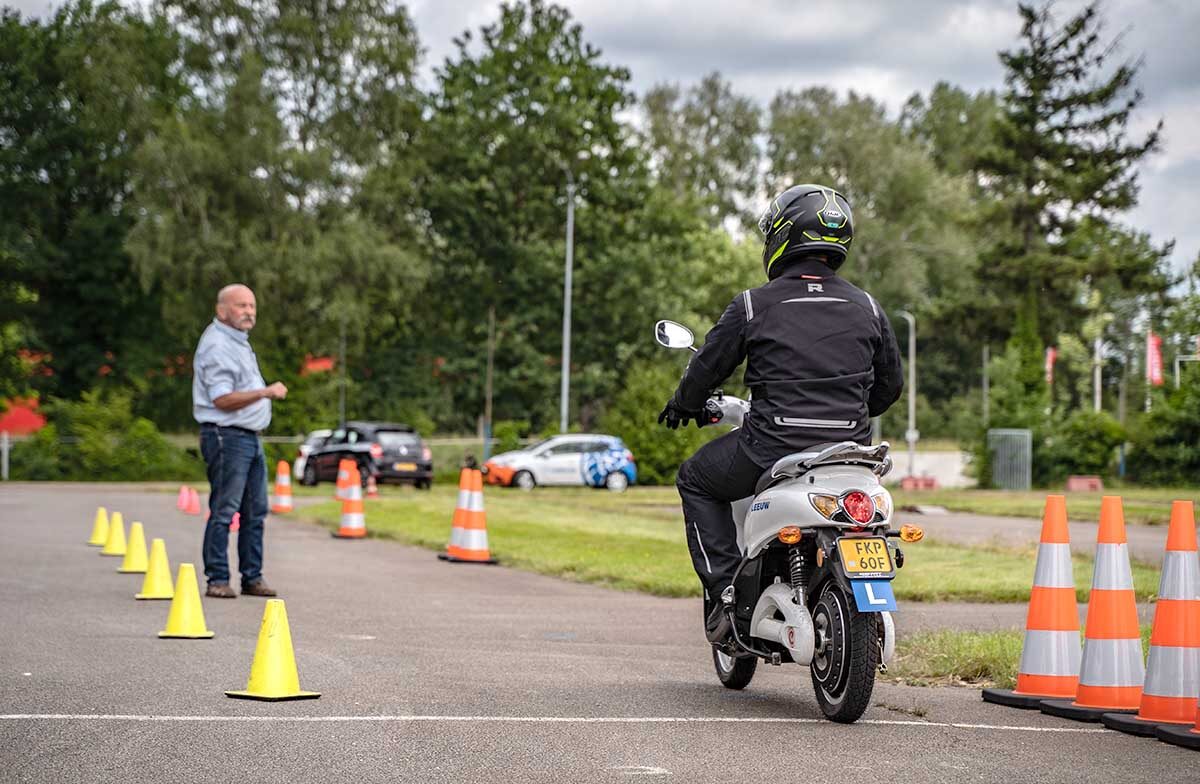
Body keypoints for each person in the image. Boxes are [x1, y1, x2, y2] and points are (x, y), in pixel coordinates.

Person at [659, 184, 904, 642]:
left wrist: (684, 403)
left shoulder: (754, 304)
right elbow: (890, 387)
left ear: (781, 235)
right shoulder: (868, 307)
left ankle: (727, 594)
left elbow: (707, 366)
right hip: (850, 455)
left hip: (771, 449)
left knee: (694, 478)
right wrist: (846, 414)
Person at [192, 283, 288, 598]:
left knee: (255, 510)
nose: (249, 312)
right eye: (241, 306)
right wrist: (265, 392)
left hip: (247, 437)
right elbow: (221, 399)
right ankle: (218, 578)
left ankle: (252, 576)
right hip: (227, 436)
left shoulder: (238, 342)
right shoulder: (218, 345)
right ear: (222, 310)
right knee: (225, 508)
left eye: (252, 306)